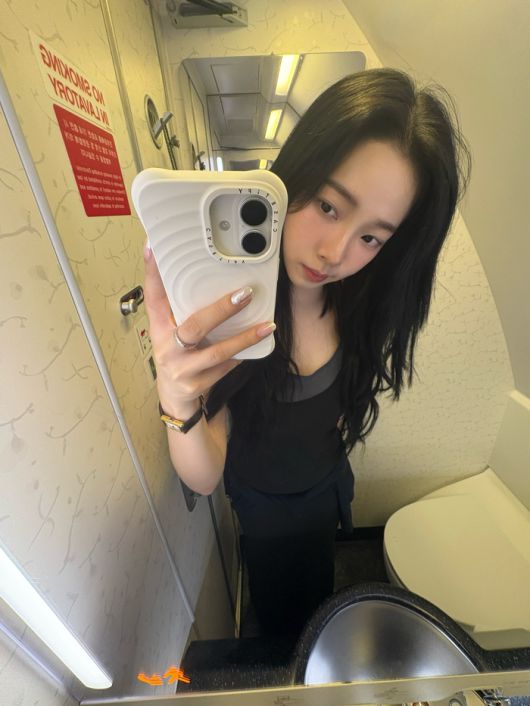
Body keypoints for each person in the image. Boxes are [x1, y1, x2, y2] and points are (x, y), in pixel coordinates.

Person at [143, 68, 470, 637]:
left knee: (320, 594)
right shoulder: (234, 309)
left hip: (325, 492)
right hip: (265, 508)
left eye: (371, 237)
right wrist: (176, 396)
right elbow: (204, 474)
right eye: (327, 205)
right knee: (278, 618)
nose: (335, 252)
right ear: (294, 175)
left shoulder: (361, 301)